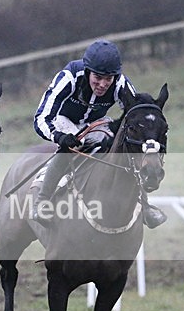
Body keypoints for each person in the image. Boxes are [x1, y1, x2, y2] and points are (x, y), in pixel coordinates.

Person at [31, 39, 167, 228]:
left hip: (94, 123)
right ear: (88, 71)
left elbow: (135, 114)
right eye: (98, 77)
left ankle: (143, 204)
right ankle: (42, 202)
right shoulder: (69, 77)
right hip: (62, 120)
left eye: (108, 78)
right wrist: (59, 137)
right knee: (73, 144)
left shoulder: (120, 83)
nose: (103, 84)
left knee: (122, 143)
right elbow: (41, 117)